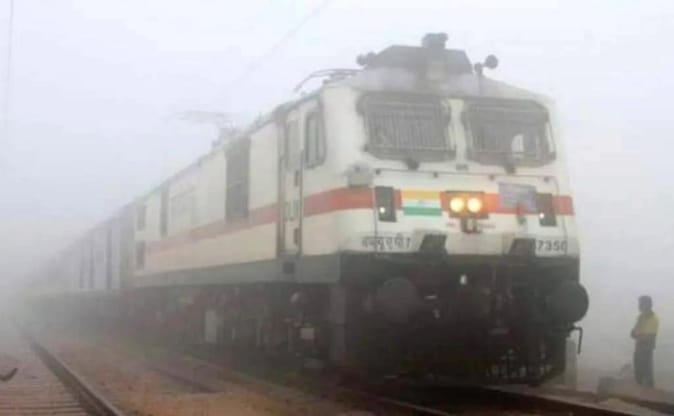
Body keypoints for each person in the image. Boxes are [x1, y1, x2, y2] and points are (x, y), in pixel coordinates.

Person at [630, 295, 659, 387]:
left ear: (648, 305)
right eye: (640, 304)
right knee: (638, 370)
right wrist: (637, 335)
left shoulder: (653, 318)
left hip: (647, 347)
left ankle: (649, 390)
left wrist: (638, 335)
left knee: (646, 370)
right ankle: (640, 388)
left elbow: (649, 336)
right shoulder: (640, 317)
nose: (639, 306)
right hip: (639, 345)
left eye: (641, 304)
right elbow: (634, 332)